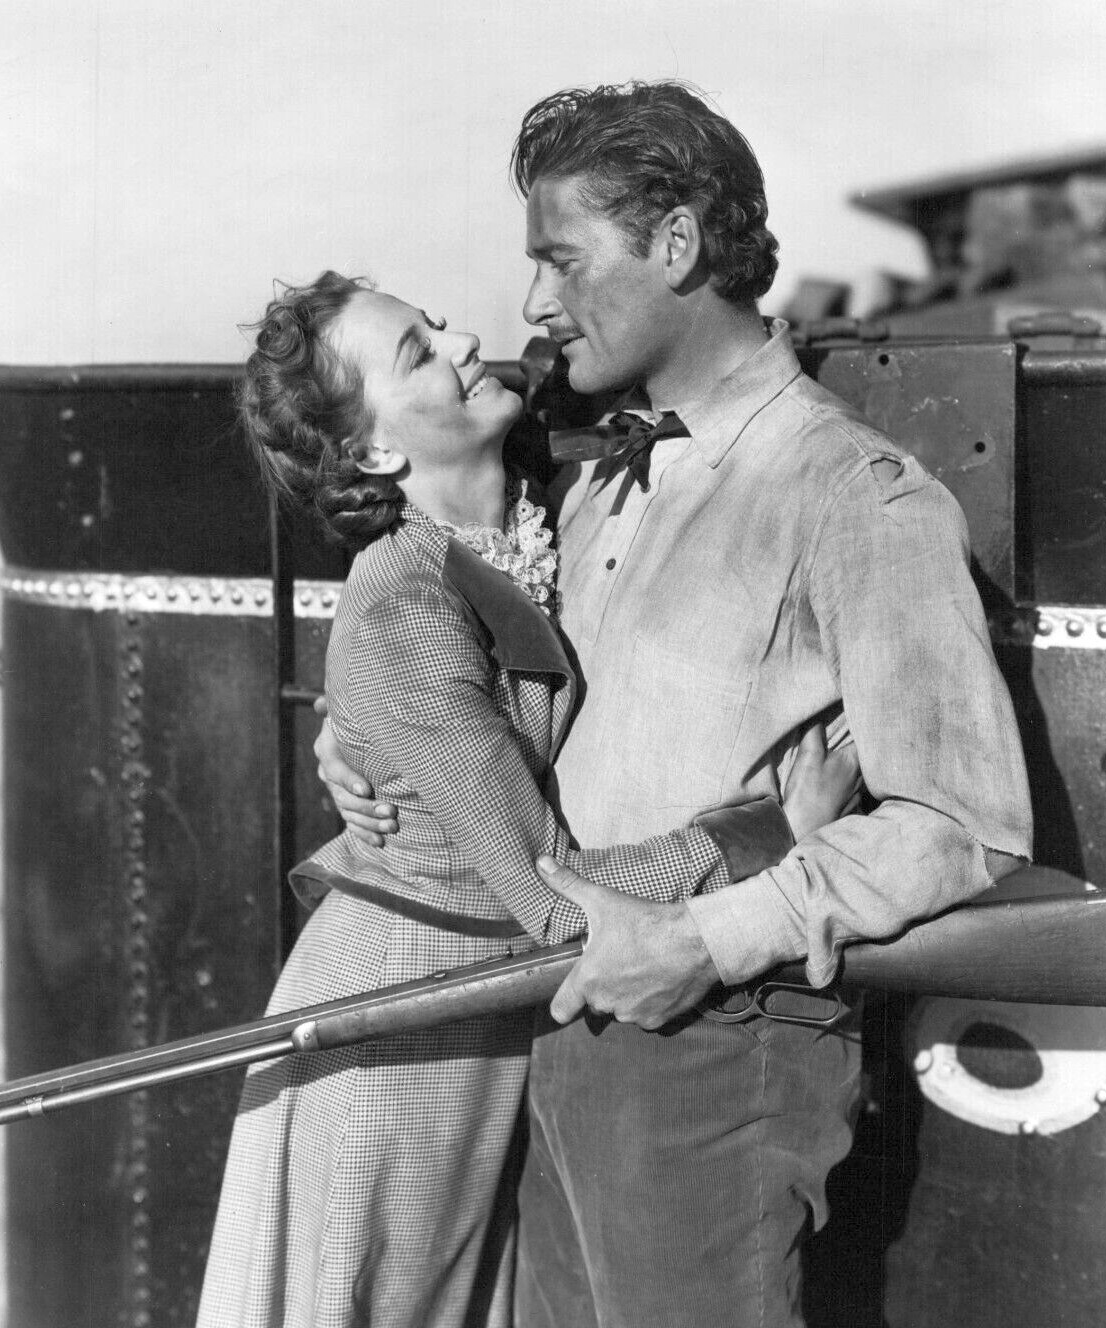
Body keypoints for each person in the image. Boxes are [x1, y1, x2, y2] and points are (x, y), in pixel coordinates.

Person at [317, 81, 1033, 1328]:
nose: (531, 304)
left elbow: (963, 824)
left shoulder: (853, 494)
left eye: (560, 259)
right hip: (563, 1028)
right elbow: (455, 648)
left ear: (677, 243)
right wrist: (358, 731)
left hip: (717, 1046)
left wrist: (703, 938)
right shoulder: (586, 469)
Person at [196, 270, 859, 1328]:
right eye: (418, 352)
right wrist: (768, 832)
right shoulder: (404, 607)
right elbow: (551, 899)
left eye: (435, 322)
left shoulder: (521, 507)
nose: (464, 340)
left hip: (484, 1005)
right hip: (395, 1029)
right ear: (375, 452)